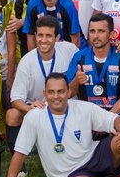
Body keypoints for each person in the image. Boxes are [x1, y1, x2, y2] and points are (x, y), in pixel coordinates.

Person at [0, 73, 120, 177]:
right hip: (70, 174)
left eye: (60, 91)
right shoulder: (34, 117)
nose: (56, 96)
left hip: (93, 155)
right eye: (51, 92)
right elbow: (20, 153)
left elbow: (116, 120)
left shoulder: (83, 107)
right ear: (45, 93)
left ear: (68, 92)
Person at [7, 17, 80, 164]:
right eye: (40, 35)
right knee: (12, 114)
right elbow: (15, 99)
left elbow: (92, 55)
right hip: (38, 110)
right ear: (35, 36)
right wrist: (29, 109)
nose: (44, 40)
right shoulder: (27, 61)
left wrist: (116, 46)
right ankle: (19, 164)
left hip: (64, 108)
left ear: (57, 38)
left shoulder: (69, 50)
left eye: (48, 36)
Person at [66, 13, 120, 119]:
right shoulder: (79, 57)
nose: (96, 36)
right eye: (92, 31)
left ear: (112, 34)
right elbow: (67, 93)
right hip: (86, 115)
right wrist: (75, 81)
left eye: (101, 31)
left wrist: (106, 118)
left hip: (115, 113)